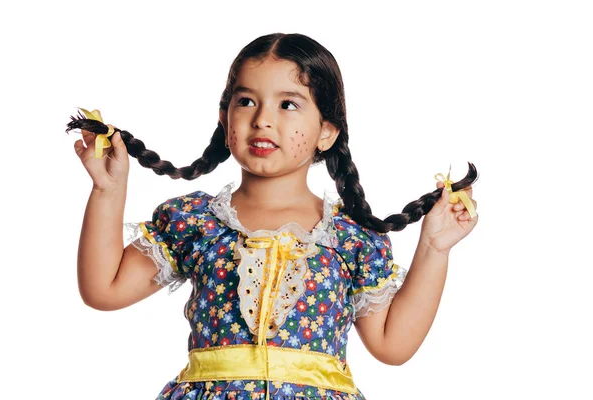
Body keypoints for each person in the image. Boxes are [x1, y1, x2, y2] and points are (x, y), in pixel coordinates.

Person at [68, 32, 479, 400]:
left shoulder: (350, 239)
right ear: (223, 117)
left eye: (288, 104)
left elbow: (393, 345)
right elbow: (104, 289)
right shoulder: (197, 221)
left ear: (327, 131)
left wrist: (433, 247)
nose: (263, 118)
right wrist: (108, 189)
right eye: (246, 101)